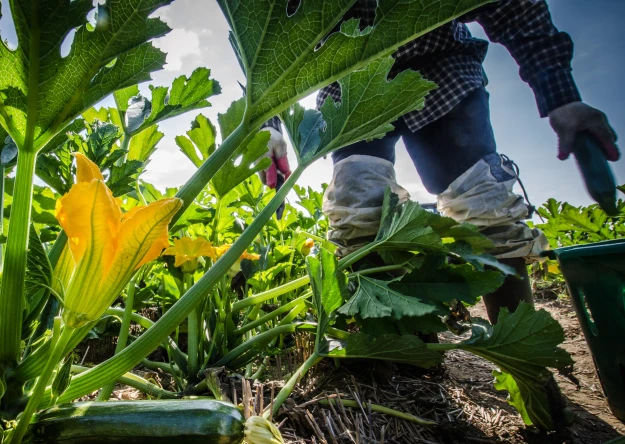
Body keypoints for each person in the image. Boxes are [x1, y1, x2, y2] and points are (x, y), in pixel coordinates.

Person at [260, 0, 620, 324]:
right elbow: (274, 37)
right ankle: (402, 343)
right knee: (358, 205)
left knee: (483, 202)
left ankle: (519, 345)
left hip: (439, 64)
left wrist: (562, 97)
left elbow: (513, 7)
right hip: (350, 76)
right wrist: (268, 123)